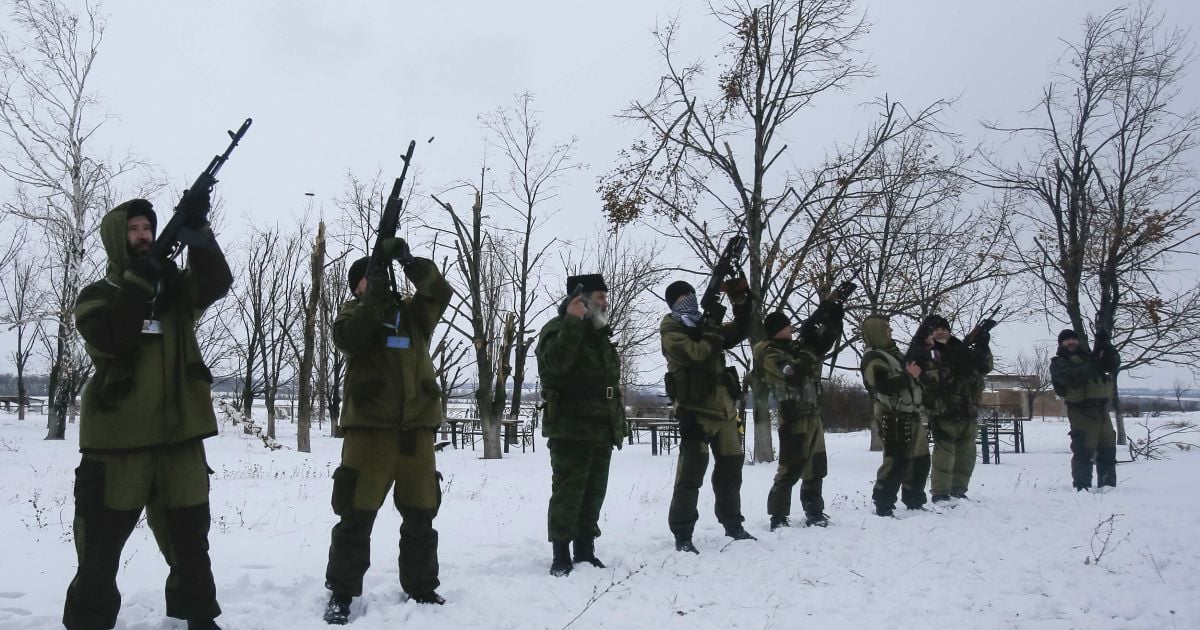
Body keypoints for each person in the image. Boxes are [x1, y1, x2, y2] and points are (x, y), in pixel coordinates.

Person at [65, 197, 231, 630]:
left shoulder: (175, 292)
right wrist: (139, 281)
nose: (143, 236)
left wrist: (199, 232)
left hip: (180, 438)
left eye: (148, 229)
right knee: (100, 545)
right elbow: (113, 339)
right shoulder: (97, 295)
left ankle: (199, 617)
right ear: (117, 237)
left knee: (190, 540)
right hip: (118, 442)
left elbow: (216, 283)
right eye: (134, 229)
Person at [322, 239, 453, 625]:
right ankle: (342, 593)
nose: (378, 280)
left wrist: (409, 262)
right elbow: (350, 339)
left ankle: (421, 586)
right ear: (356, 287)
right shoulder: (352, 314)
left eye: (380, 274)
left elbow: (439, 293)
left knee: (421, 514)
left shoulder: (412, 315)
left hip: (416, 431)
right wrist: (374, 297)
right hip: (370, 432)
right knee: (355, 516)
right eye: (369, 277)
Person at [535, 274, 628, 577]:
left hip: (600, 426)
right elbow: (554, 365)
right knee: (569, 492)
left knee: (593, 493)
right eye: (600, 296)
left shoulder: (598, 334)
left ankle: (585, 550)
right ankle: (561, 554)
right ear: (582, 299)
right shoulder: (557, 329)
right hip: (571, 427)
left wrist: (616, 423)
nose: (606, 302)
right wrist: (572, 322)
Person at [660, 278, 754, 552]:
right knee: (690, 475)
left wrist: (740, 300)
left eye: (692, 294)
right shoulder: (672, 330)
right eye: (683, 297)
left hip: (724, 411)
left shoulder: (703, 325)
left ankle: (733, 524)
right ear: (673, 304)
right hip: (696, 412)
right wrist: (712, 322)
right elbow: (698, 353)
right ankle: (683, 534)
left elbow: (739, 330)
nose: (689, 300)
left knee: (730, 472)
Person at [911, 315, 993, 503]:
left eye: (944, 329)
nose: (941, 332)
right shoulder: (926, 353)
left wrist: (983, 347)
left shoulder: (963, 349)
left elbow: (985, 367)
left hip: (968, 411)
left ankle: (958, 491)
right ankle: (940, 493)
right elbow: (924, 378)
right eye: (936, 329)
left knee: (966, 455)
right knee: (944, 455)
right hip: (942, 412)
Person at [860, 314, 929, 517]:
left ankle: (914, 500)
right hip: (893, 415)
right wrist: (908, 376)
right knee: (896, 460)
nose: (890, 332)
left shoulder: (894, 354)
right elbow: (882, 385)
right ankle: (884, 503)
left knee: (920, 459)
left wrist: (924, 351)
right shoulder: (873, 357)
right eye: (886, 329)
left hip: (911, 413)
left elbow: (914, 372)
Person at [1050, 328, 1119, 490]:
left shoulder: (1089, 357)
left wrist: (1106, 345)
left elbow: (1112, 364)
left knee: (1108, 449)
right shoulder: (1059, 362)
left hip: (1102, 410)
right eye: (1067, 340)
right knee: (1084, 450)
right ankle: (1082, 487)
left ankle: (1108, 485)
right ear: (1061, 343)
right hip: (1081, 411)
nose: (1071, 342)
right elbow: (1073, 378)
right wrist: (1094, 363)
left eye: (1074, 339)